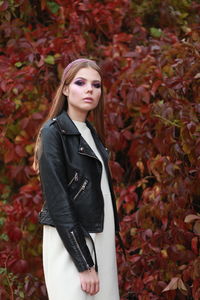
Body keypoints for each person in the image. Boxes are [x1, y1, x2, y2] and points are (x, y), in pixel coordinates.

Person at [33, 58, 122, 300]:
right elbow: (59, 202)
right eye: (81, 83)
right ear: (65, 89)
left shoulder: (93, 134)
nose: (89, 90)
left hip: (99, 238)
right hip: (70, 243)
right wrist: (84, 264)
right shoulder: (53, 133)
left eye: (96, 85)